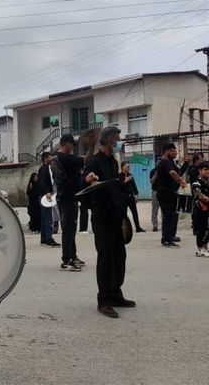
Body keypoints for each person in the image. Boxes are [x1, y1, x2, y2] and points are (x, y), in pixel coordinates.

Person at [83, 126, 135, 319]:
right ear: (106, 140)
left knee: (119, 257)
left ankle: (115, 294)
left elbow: (116, 187)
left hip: (116, 216)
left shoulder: (113, 162)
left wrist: (123, 211)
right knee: (105, 260)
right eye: (115, 139)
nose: (117, 142)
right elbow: (87, 175)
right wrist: (89, 178)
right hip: (102, 218)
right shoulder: (94, 161)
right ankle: (103, 300)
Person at [53, 133, 95, 272]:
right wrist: (92, 145)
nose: (73, 148)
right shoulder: (64, 158)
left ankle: (72, 255)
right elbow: (86, 160)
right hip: (67, 198)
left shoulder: (57, 158)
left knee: (69, 228)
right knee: (68, 229)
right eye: (72, 145)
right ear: (66, 144)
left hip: (65, 197)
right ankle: (66, 260)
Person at [154, 143, 186, 247]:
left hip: (168, 193)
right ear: (168, 151)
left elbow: (175, 172)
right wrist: (181, 181)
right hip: (165, 193)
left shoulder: (167, 161)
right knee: (167, 216)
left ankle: (169, 237)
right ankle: (166, 239)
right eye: (173, 151)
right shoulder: (165, 161)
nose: (175, 153)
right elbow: (172, 173)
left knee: (171, 216)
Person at [38, 152, 60, 247]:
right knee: (48, 218)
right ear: (45, 159)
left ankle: (44, 238)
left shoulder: (47, 169)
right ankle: (49, 238)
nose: (51, 158)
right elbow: (42, 182)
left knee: (45, 218)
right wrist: (47, 192)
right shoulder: (44, 169)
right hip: (45, 196)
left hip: (44, 195)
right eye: (49, 157)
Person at [119, 161, 145, 233]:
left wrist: (136, 194)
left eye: (129, 167)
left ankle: (138, 227)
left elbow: (134, 186)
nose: (129, 168)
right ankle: (124, 228)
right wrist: (126, 181)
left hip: (131, 197)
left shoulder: (130, 175)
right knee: (124, 214)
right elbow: (119, 186)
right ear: (122, 167)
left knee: (135, 213)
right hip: (123, 198)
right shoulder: (119, 176)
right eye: (127, 167)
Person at [191, 161, 209, 257]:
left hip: (207, 208)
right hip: (200, 208)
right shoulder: (197, 182)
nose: (207, 172)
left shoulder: (207, 181)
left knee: (207, 228)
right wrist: (203, 196)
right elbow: (196, 190)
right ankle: (201, 248)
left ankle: (204, 248)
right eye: (205, 170)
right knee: (202, 228)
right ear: (200, 170)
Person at [149, 161, 160, 232]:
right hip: (155, 192)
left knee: (164, 210)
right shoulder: (153, 171)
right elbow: (151, 181)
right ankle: (155, 225)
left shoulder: (165, 171)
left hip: (163, 192)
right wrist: (156, 174)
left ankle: (165, 225)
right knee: (155, 210)